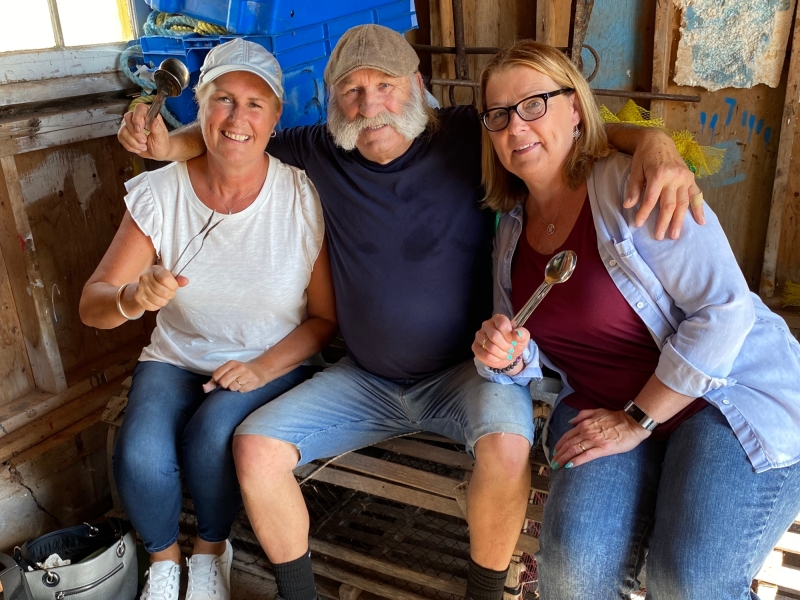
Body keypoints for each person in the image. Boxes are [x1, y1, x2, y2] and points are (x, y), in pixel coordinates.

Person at [117, 25, 702, 600]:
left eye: (386, 85)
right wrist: (169, 145)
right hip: (365, 378)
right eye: (351, 91)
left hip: (467, 372)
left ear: (417, 84)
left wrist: (653, 142)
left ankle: (483, 593)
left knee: (507, 445)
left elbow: (572, 132)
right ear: (331, 103)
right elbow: (235, 133)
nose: (370, 106)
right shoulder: (321, 149)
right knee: (255, 448)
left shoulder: (469, 135)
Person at [471, 39, 800, 599]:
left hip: (721, 398)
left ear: (575, 107)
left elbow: (724, 312)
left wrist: (637, 421)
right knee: (572, 579)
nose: (515, 126)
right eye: (498, 115)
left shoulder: (636, 187)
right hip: (602, 409)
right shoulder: (510, 231)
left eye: (533, 104)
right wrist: (505, 353)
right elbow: (531, 355)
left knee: (688, 583)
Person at [80, 39, 337, 600]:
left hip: (268, 357)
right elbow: (93, 303)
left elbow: (323, 319)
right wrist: (132, 298)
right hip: (177, 357)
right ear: (199, 108)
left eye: (254, 104)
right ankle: (165, 562)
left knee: (210, 436)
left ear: (275, 119)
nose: (237, 117)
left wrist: (262, 367)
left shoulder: (301, 196)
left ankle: (211, 551)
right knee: (140, 452)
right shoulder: (159, 193)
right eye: (223, 98)